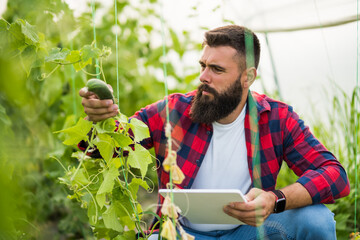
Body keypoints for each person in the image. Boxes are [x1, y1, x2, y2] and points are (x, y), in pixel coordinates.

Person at [79, 25, 350, 240]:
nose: (203, 77)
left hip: (249, 233)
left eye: (217, 69)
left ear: (248, 77)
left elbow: (335, 175)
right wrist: (100, 118)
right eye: (203, 66)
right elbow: (102, 151)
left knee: (316, 219)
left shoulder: (276, 118)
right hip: (182, 234)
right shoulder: (172, 111)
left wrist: (274, 199)